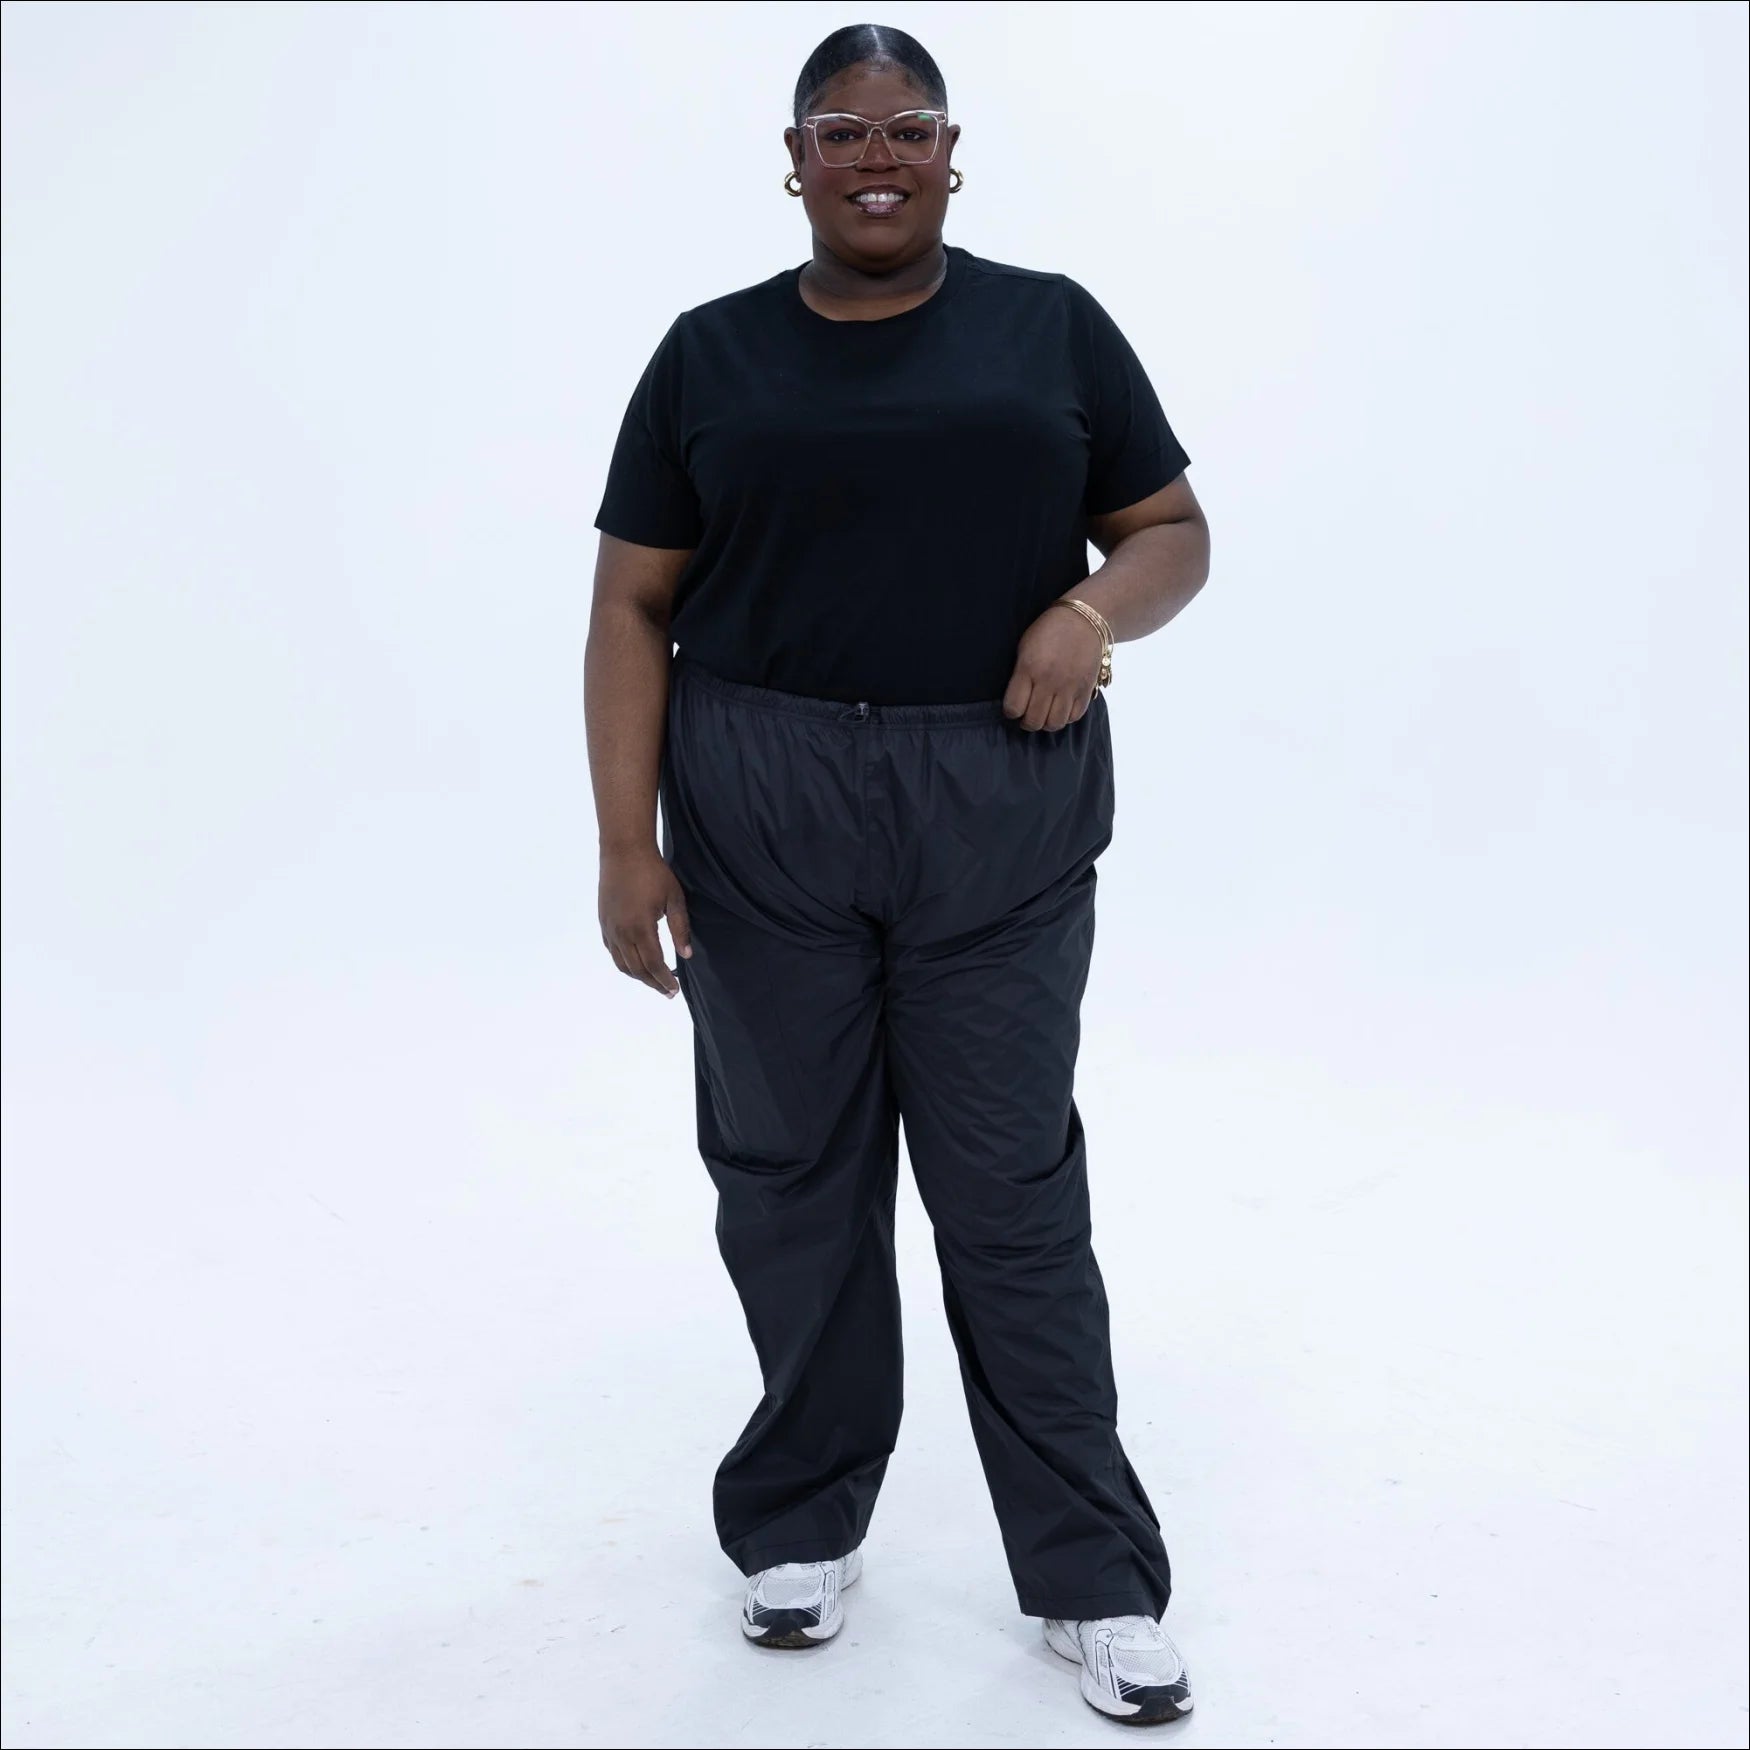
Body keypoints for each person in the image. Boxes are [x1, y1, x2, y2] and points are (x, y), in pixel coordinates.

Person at [586, 21, 1211, 1728]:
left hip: (993, 793)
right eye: (842, 130)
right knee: (788, 1173)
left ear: (951, 153)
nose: (878, 154)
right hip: (760, 796)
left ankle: (1091, 1572)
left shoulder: (1049, 326)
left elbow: (1170, 531)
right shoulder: (708, 354)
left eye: (908, 126)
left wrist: (1084, 612)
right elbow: (632, 600)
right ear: (793, 161)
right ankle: (799, 1519)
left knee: (1009, 1190)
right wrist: (626, 841)